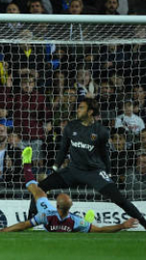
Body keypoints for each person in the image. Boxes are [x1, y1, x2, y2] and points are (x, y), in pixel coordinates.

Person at [28, 98, 146, 230]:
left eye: (82, 107)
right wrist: (53, 169)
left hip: (94, 172)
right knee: (41, 187)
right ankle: (29, 221)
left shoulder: (101, 131)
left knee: (119, 199)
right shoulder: (71, 127)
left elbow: (104, 154)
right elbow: (63, 150)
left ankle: (144, 223)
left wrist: (109, 173)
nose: (78, 109)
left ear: (90, 112)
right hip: (73, 170)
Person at [0, 147, 138, 233]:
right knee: (86, 227)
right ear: (71, 206)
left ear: (56, 205)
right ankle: (87, 224)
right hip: (75, 223)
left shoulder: (46, 215)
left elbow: (22, 225)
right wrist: (122, 225)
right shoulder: (75, 221)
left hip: (46, 212)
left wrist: (1, 231)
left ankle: (27, 164)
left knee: (35, 189)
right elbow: (101, 230)